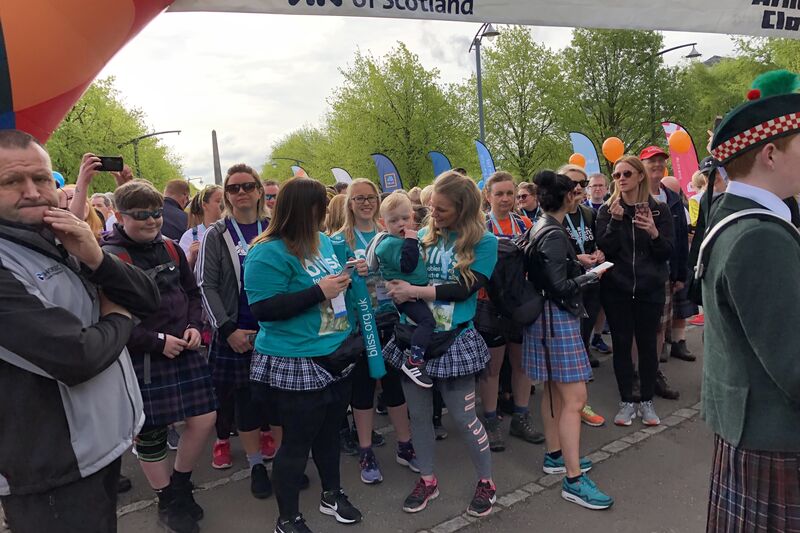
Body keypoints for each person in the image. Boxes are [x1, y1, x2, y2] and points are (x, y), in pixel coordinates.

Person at [0, 130, 160, 533]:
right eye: (11, 182)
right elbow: (77, 355)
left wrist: (95, 257)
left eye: (41, 179)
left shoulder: (58, 235)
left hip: (100, 448)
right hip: (49, 471)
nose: (33, 191)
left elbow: (149, 299)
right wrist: (120, 317)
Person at [702, 69, 800, 532]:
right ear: (769, 152)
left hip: (754, 433)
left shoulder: (735, 217)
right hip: (775, 437)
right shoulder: (760, 237)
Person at [245, 177, 363, 533]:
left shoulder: (322, 241)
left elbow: (329, 286)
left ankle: (332, 494)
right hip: (296, 361)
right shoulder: (267, 251)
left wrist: (347, 275)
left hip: (335, 354)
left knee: (329, 434)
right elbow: (262, 309)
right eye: (320, 207)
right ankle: (288, 519)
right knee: (296, 444)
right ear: (302, 209)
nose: (326, 212)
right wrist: (319, 291)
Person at [102, 180, 217, 533]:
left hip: (184, 348)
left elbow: (192, 292)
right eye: (141, 216)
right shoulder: (108, 257)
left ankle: (180, 483)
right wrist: (156, 341)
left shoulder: (171, 247)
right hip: (144, 357)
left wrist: (196, 325)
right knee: (150, 433)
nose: (152, 221)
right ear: (119, 216)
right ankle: (166, 497)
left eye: (155, 214)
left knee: (204, 419)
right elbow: (110, 318)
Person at [384, 171, 498, 518]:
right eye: (431, 207)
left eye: (442, 210)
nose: (433, 214)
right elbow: (397, 271)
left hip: (454, 341)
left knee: (464, 419)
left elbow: (464, 288)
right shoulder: (419, 236)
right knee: (418, 417)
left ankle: (486, 482)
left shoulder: (485, 241)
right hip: (414, 338)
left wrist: (415, 292)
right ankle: (428, 479)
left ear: (463, 209)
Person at [522, 170, 613, 510]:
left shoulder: (539, 224)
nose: (580, 193)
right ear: (566, 197)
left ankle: (556, 456)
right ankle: (573, 480)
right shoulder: (555, 232)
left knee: (555, 396)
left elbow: (548, 275)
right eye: (575, 190)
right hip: (556, 320)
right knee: (575, 399)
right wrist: (590, 275)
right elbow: (559, 287)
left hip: (543, 321)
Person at [331, 178, 418, 484]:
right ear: (349, 203)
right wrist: (348, 271)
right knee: (363, 389)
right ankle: (366, 450)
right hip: (358, 325)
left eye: (370, 197)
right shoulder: (338, 240)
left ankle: (405, 445)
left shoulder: (387, 232)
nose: (365, 202)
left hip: (390, 319)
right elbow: (329, 280)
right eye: (359, 198)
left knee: (394, 384)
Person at [197, 164, 273, 498]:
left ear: (258, 190)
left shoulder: (274, 228)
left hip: (274, 328)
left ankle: (282, 457)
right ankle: (256, 464)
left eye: (246, 186)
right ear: (226, 195)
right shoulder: (217, 234)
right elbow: (205, 284)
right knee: (243, 400)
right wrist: (227, 329)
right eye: (233, 188)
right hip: (236, 332)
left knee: (273, 398)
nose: (240, 193)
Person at [596, 155, 674, 427]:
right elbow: (605, 248)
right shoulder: (608, 209)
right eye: (617, 175)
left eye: (626, 174)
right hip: (617, 287)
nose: (621, 179)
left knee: (648, 345)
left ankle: (648, 402)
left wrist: (653, 233)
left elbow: (666, 252)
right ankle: (627, 401)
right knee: (620, 344)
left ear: (640, 176)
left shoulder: (658, 210)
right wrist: (616, 222)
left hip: (649, 287)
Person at [474, 171, 543, 452]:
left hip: (517, 302)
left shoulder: (525, 223)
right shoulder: (480, 227)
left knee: (522, 363)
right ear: (487, 196)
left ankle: (521, 415)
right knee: (492, 367)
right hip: (488, 303)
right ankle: (490, 420)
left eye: (509, 193)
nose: (505, 198)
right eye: (499, 193)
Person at [557, 164, 607, 429]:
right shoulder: (554, 216)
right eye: (571, 182)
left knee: (583, 341)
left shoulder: (588, 214)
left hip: (591, 284)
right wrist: (576, 259)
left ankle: (575, 401)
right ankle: (574, 404)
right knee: (570, 348)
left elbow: (593, 242)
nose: (577, 188)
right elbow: (547, 256)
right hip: (567, 288)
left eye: (582, 182)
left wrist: (598, 253)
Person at [374, 192, 436, 388]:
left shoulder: (406, 239)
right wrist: (410, 240)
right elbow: (407, 265)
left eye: (405, 218)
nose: (401, 224)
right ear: (384, 223)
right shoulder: (389, 244)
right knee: (427, 322)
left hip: (417, 290)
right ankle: (414, 361)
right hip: (405, 296)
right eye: (394, 221)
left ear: (413, 216)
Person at [640, 147, 691, 374]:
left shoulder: (672, 198)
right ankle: (640, 369)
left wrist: (680, 273)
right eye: (652, 161)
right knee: (643, 326)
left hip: (667, 269)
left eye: (661, 161)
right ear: (642, 165)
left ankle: (653, 372)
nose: (657, 165)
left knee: (661, 324)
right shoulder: (635, 196)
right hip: (641, 273)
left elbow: (681, 238)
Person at [179, 184, 223, 269]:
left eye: (226, 201)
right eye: (219, 201)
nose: (223, 205)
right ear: (205, 205)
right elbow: (181, 272)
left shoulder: (233, 231)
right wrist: (192, 258)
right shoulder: (190, 236)